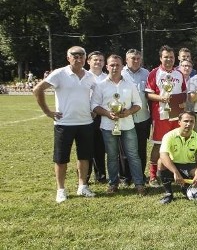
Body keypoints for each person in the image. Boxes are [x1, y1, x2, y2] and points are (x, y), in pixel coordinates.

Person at [34, 46, 97, 203]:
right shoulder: (59, 74)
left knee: (84, 157)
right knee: (61, 159)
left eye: (81, 55)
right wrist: (48, 112)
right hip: (64, 123)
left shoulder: (90, 76)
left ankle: (82, 186)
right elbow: (37, 89)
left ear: (85, 58)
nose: (78, 58)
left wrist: (94, 109)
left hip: (86, 123)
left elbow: (96, 95)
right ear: (68, 58)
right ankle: (61, 190)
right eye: (74, 55)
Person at [91, 54, 145, 195]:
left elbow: (138, 104)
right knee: (112, 156)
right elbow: (94, 105)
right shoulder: (100, 85)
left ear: (122, 67)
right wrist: (108, 113)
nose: (115, 67)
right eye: (112, 65)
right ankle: (113, 183)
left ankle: (139, 183)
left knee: (133, 155)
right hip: (108, 126)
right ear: (107, 66)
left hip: (128, 125)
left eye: (117, 65)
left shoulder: (130, 85)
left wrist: (128, 112)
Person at [145, 45, 187, 186]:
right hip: (161, 115)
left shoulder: (179, 74)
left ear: (175, 58)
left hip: (177, 115)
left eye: (171, 57)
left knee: (176, 143)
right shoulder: (154, 73)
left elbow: (183, 93)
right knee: (158, 145)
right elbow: (148, 94)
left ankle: (171, 172)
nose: (169, 59)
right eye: (166, 57)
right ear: (160, 58)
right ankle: (152, 175)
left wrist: (182, 103)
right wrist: (161, 98)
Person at [157, 112, 197, 204]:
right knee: (161, 162)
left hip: (189, 166)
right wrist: (175, 172)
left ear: (194, 123)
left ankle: (187, 188)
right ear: (179, 122)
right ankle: (168, 193)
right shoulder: (169, 136)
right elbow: (163, 155)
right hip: (173, 165)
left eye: (192, 121)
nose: (188, 124)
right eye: (186, 121)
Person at [122, 48, 151, 184]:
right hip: (124, 118)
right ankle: (126, 177)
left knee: (141, 149)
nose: (136, 61)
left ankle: (140, 175)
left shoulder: (147, 74)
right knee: (124, 150)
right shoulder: (120, 73)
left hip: (142, 117)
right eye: (133, 58)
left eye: (138, 58)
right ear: (126, 60)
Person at [86, 50, 107, 184]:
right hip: (86, 116)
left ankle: (100, 176)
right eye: (95, 60)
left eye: (101, 60)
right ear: (89, 61)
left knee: (100, 147)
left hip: (102, 116)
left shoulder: (107, 77)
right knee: (86, 148)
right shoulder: (83, 76)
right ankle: (85, 176)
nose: (98, 62)